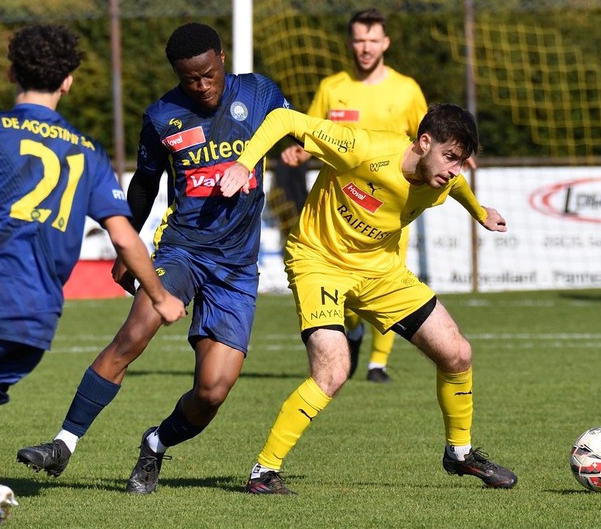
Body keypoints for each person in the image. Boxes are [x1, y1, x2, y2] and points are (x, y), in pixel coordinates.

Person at [16, 22, 291, 495]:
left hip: (237, 269)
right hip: (182, 249)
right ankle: (63, 443)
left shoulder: (260, 91)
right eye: (190, 79)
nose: (201, 86)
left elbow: (294, 128)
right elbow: (145, 183)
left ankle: (156, 443)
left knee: (212, 392)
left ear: (222, 59)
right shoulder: (163, 115)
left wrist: (300, 147)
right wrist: (130, 243)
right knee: (135, 330)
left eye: (207, 75)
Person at [0, 24, 186, 529]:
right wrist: (161, 298)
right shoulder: (88, 152)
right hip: (35, 328)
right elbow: (125, 239)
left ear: (11, 71)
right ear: (69, 82)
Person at [219, 103, 517, 495]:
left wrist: (479, 212)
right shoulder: (361, 147)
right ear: (424, 142)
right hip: (318, 261)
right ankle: (263, 473)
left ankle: (459, 453)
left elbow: (458, 186)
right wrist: (244, 163)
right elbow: (283, 119)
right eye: (449, 157)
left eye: (460, 161)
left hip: (379, 271)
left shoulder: (442, 179)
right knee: (333, 371)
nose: (453, 170)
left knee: (457, 353)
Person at [280, 8, 429, 384]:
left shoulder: (407, 89)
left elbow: (431, 138)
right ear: (350, 43)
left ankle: (377, 364)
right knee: (343, 292)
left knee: (394, 280)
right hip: (339, 207)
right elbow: (312, 133)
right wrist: (299, 150)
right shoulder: (333, 87)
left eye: (372, 40)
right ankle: (353, 328)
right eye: (359, 40)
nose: (365, 48)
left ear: (385, 43)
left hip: (393, 206)